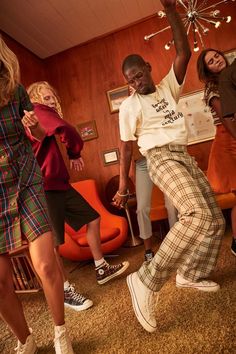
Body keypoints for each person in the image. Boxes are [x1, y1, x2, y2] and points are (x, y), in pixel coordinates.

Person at [112, 0, 225, 334]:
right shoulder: (130, 107)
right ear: (128, 83)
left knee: (214, 220)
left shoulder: (166, 86)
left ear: (148, 67)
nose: (137, 82)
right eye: (131, 80)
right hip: (159, 158)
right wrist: (122, 186)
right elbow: (125, 148)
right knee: (197, 215)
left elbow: (183, 51)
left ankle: (189, 273)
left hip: (184, 154)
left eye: (139, 75)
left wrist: (173, 11)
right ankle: (146, 280)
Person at [25, 81, 129, 312]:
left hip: (60, 185)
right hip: (45, 188)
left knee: (92, 219)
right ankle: (64, 291)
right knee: (53, 244)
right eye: (46, 97)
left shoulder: (42, 115)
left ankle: (101, 267)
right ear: (35, 98)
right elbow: (68, 130)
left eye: (53, 98)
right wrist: (74, 152)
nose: (50, 102)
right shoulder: (37, 111)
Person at [0, 36, 74, 353]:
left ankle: (61, 334)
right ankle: (25, 340)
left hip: (26, 177)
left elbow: (41, 132)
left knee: (45, 264)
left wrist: (33, 123)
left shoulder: (14, 89)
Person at [197, 48, 236, 257]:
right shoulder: (213, 88)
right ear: (207, 69)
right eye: (211, 61)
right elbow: (227, 119)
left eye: (217, 56)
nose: (216, 61)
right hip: (227, 141)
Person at [133, 142, 178, 262]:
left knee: (172, 205)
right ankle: (148, 251)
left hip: (163, 157)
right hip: (142, 163)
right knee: (141, 208)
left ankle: (177, 246)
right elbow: (126, 147)